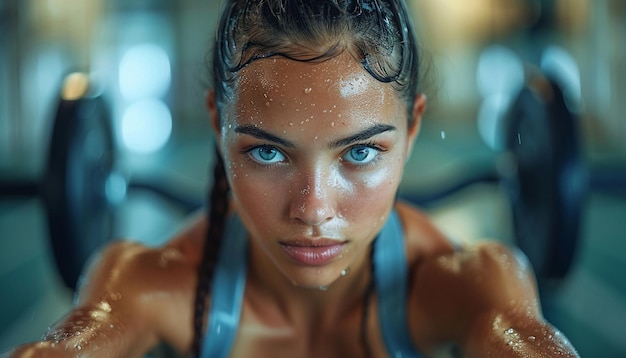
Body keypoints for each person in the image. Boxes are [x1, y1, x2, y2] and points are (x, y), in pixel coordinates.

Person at [6, 0, 579, 357]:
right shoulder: (151, 286)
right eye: (268, 154)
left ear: (412, 129)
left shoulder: (466, 286)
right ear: (216, 124)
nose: (312, 209)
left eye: (359, 153)